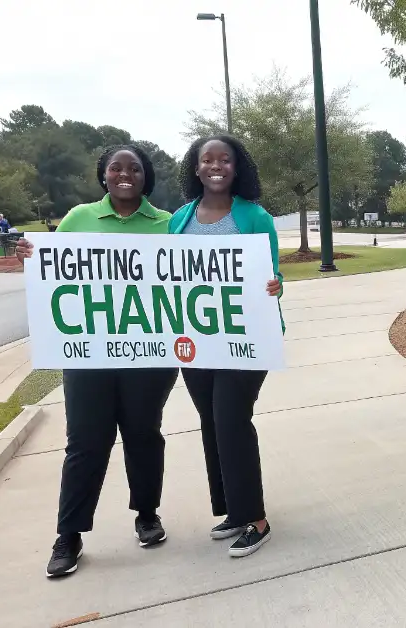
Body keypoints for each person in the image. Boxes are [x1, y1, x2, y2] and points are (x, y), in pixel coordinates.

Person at [14, 145, 177, 578]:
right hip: (88, 354)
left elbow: (197, 277)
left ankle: (147, 514)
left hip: (149, 354)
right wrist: (30, 259)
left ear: (147, 177)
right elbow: (51, 273)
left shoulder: (168, 225)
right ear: (103, 175)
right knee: (86, 441)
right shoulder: (78, 219)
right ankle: (69, 534)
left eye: (135, 168)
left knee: (144, 434)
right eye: (116, 168)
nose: (125, 174)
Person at [171, 135, 283, 558]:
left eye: (225, 160)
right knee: (211, 422)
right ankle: (233, 511)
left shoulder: (255, 218)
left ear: (237, 168)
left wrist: (276, 285)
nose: (216, 166)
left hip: (247, 337)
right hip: (197, 340)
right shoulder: (180, 219)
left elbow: (272, 275)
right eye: (207, 160)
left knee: (231, 418)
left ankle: (256, 519)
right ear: (196, 168)